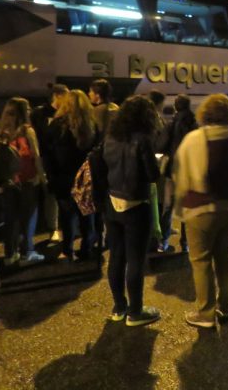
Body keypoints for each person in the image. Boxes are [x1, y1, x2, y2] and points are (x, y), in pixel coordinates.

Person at [173, 93, 228, 329]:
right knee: (225, 257)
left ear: (205, 113)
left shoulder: (195, 139)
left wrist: (178, 207)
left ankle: (205, 313)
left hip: (201, 209)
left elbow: (181, 176)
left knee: (201, 260)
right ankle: (225, 307)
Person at [102, 95, 162, 326]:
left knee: (116, 257)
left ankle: (119, 307)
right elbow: (152, 175)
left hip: (112, 202)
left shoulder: (111, 137)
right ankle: (135, 312)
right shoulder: (143, 139)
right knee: (135, 260)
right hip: (136, 205)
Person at [42, 89, 97, 262]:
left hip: (63, 177)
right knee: (86, 215)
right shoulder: (91, 125)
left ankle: (67, 250)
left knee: (67, 217)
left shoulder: (56, 126)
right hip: (86, 178)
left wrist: (51, 176)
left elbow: (47, 154)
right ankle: (87, 248)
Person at [0, 97, 46, 266]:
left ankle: (10, 254)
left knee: (10, 218)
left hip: (9, 180)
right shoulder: (27, 130)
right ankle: (27, 253)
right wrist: (41, 176)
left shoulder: (2, 131)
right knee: (28, 216)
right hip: (27, 178)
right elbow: (36, 155)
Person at [159, 94, 197, 253]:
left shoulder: (171, 124)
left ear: (176, 107)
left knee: (168, 206)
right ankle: (185, 243)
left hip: (173, 170)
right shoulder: (195, 125)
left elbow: (161, 145)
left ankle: (164, 241)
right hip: (189, 171)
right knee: (187, 206)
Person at [31, 84, 69, 242]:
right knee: (48, 194)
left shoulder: (67, 114)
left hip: (61, 159)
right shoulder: (39, 113)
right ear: (57, 95)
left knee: (58, 195)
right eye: (65, 96)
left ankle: (59, 227)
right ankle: (52, 227)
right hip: (44, 157)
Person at [88, 78, 119, 253]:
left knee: (99, 198)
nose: (89, 95)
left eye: (91, 92)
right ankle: (110, 235)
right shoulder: (116, 109)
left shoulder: (95, 112)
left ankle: (98, 236)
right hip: (114, 157)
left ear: (97, 94)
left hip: (99, 159)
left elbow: (92, 136)